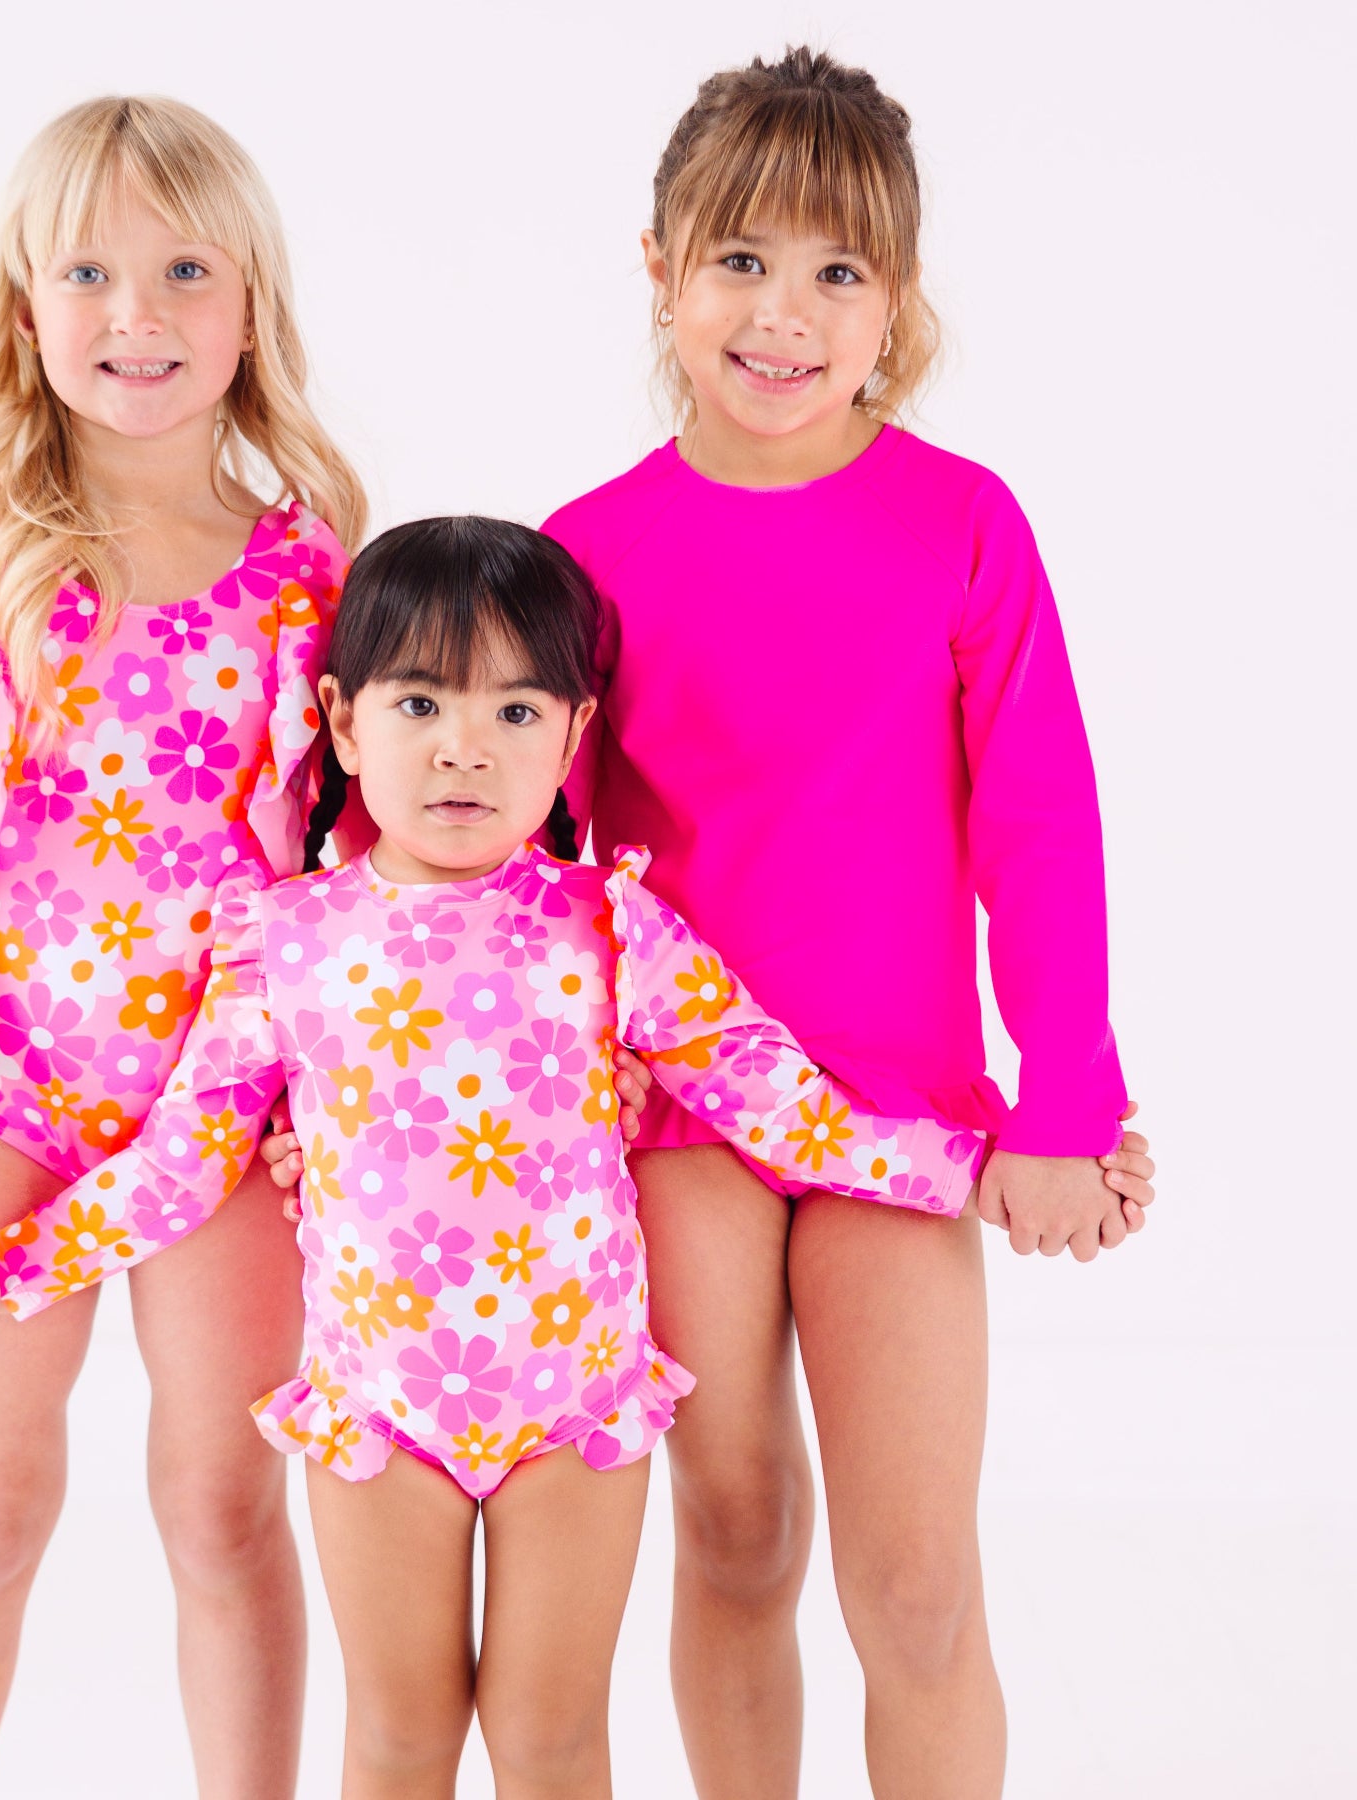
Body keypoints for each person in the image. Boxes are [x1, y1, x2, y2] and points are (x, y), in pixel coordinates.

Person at [0, 516, 991, 1798]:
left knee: (550, 1735)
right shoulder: (282, 943)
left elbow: (774, 1097)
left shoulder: (612, 928)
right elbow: (179, 1164)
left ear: (574, 742)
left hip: (571, 1403)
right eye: (420, 703)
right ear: (343, 724)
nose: (465, 746)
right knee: (400, 1734)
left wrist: (970, 1169)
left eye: (517, 713)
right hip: (381, 1405)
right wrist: (2, 1268)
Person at [530, 46, 1157, 1799]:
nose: (784, 314)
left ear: (897, 297)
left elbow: (1041, 824)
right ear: (661, 270)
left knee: (917, 1585)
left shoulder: (961, 524)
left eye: (836, 270)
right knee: (734, 1538)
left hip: (899, 1105)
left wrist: (1068, 1106)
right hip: (683, 1115)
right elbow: (524, 856)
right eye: (741, 261)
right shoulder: (585, 553)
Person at [0, 94, 365, 1800]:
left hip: (230, 1127)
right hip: (13, 1109)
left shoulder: (306, 571)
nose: (138, 314)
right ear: (27, 305)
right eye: (89, 274)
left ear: (251, 306)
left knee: (224, 1511)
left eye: (186, 271)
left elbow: (352, 880)